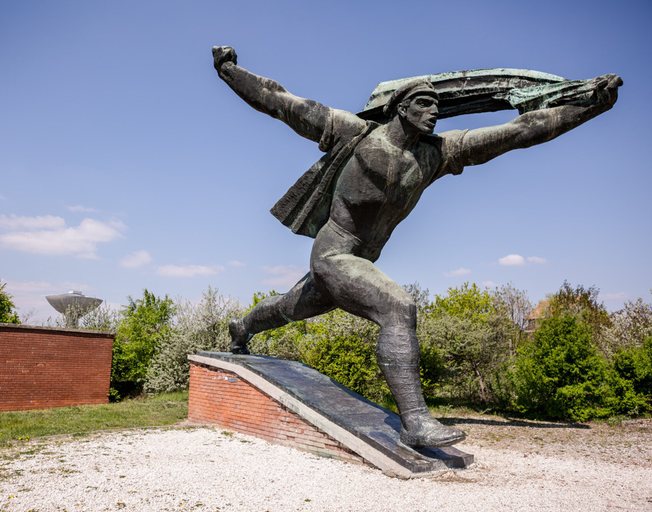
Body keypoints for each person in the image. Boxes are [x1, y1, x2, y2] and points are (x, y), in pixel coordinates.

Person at [213, 46, 621, 448]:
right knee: (399, 308)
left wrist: (590, 105)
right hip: (334, 253)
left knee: (289, 308)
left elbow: (518, 133)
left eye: (437, 105)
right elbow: (280, 101)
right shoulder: (353, 133)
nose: (435, 112)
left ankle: (243, 327)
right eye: (425, 104)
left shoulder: (436, 155)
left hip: (360, 261)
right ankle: (415, 422)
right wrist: (229, 70)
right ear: (400, 107)